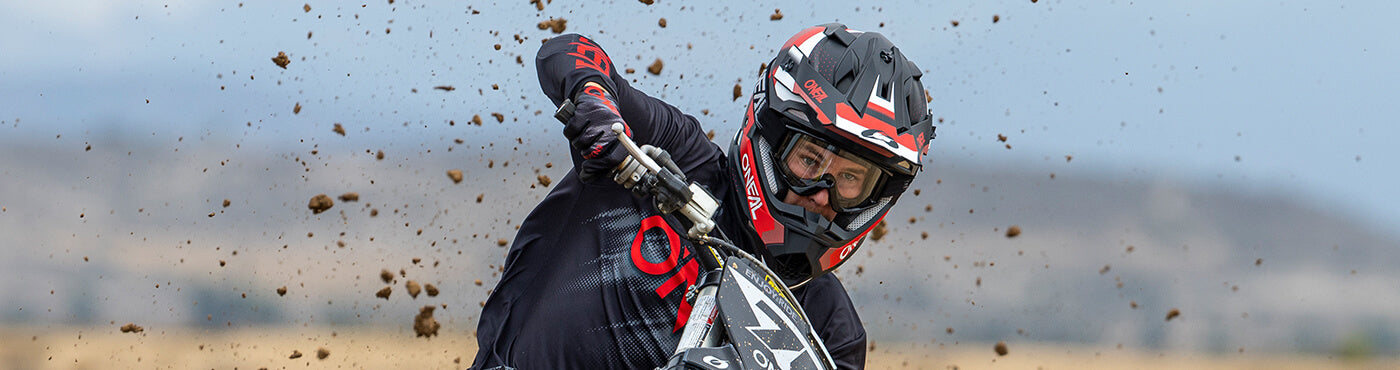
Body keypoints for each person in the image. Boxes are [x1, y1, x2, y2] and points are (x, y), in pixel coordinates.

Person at [470, 23, 934, 370]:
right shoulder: (675, 152)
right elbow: (566, 51)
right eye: (810, 160)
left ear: (877, 196)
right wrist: (594, 102)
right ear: (770, 136)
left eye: (851, 178)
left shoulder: (831, 334)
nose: (821, 192)